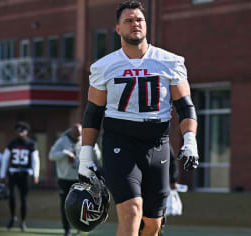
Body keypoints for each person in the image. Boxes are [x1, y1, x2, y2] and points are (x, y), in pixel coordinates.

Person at [77, 1, 199, 236]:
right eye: (128, 20)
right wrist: (85, 154)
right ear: (118, 29)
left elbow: (185, 107)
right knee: (132, 210)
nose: (135, 24)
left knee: (153, 224)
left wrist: (190, 140)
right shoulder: (104, 66)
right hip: (120, 142)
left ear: (146, 25)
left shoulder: (170, 62)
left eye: (139, 20)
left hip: (157, 144)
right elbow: (93, 113)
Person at [49, 123, 101, 236]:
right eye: (75, 136)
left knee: (82, 205)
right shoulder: (62, 141)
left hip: (81, 178)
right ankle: (66, 230)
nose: (77, 138)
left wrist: (93, 145)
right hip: (65, 178)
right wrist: (65, 153)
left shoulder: (85, 139)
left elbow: (97, 156)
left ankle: (79, 229)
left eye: (79, 136)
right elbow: (51, 155)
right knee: (65, 205)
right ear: (71, 133)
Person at [0, 121, 40, 232]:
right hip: (13, 173)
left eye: (22, 131)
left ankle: (23, 222)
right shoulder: (12, 143)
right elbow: (5, 159)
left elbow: (36, 160)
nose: (20, 133)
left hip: (26, 174)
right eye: (18, 131)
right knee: (11, 196)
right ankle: (13, 217)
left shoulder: (31, 143)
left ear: (26, 132)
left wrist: (36, 174)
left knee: (24, 199)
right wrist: (2, 174)